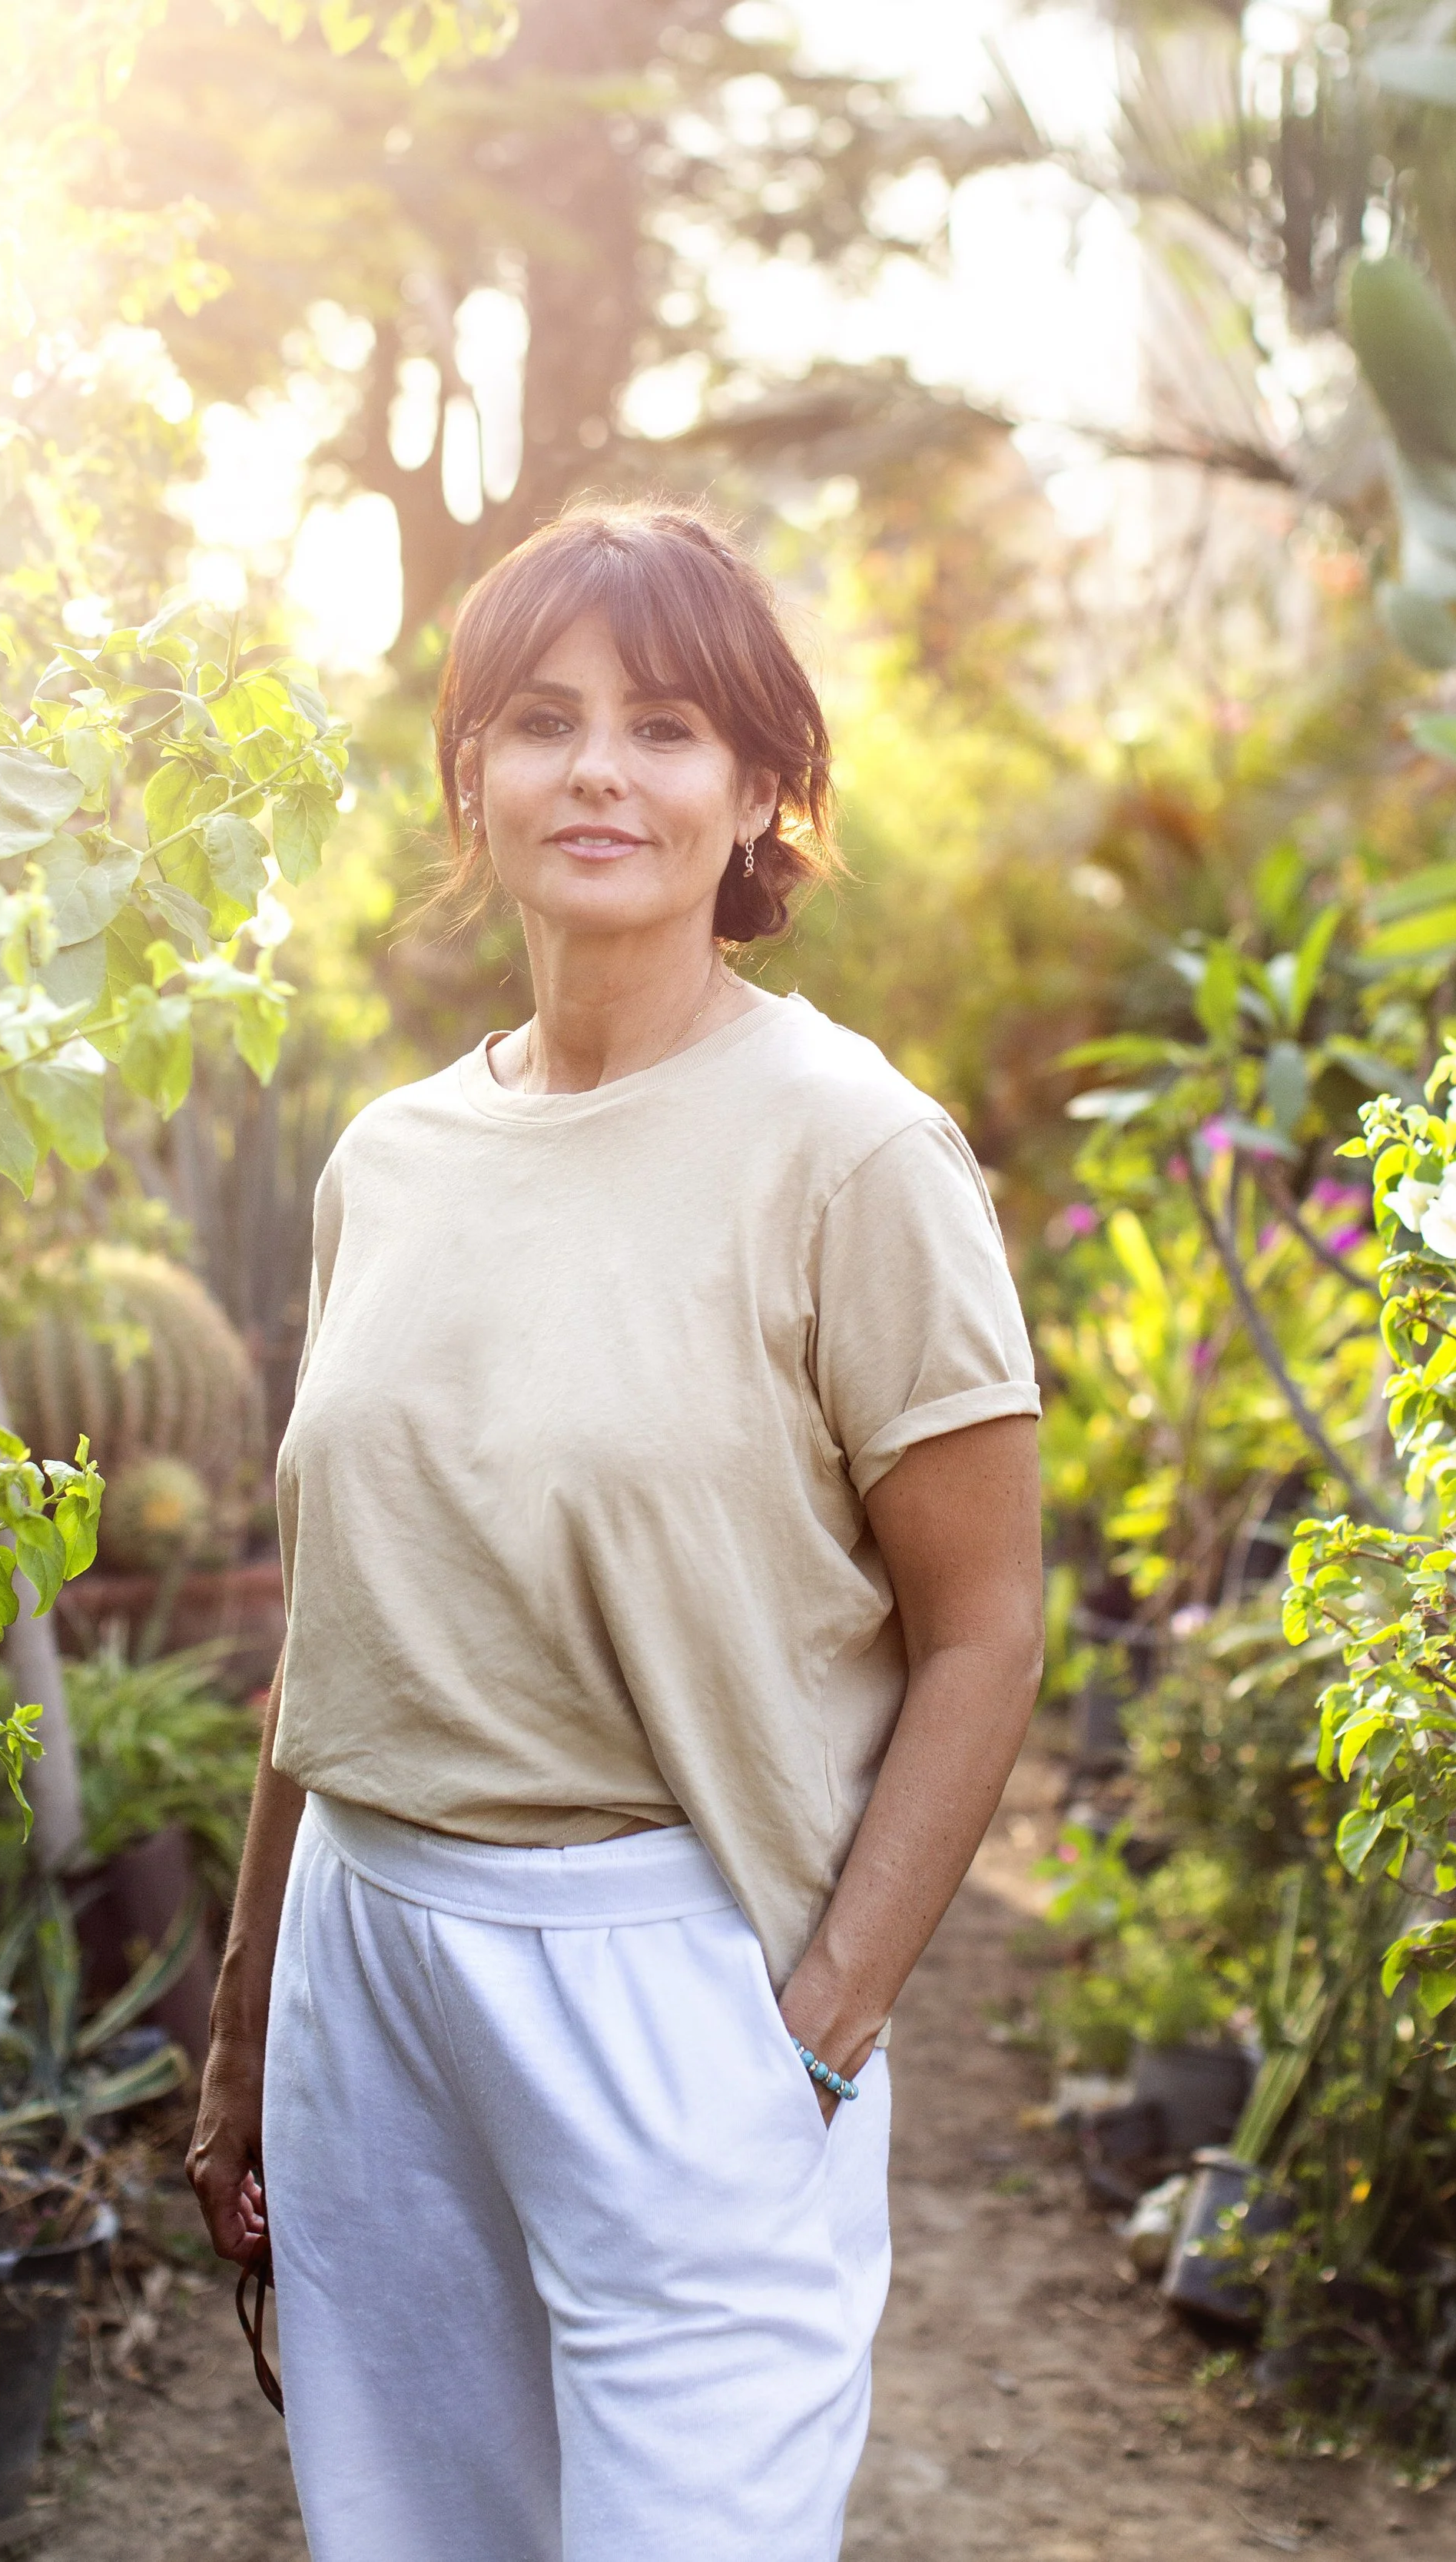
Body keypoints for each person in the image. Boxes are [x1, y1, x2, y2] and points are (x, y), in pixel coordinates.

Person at [187, 500, 1044, 2562]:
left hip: (675, 1970)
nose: (598, 772)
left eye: (665, 726)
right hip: (369, 1961)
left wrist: (820, 2028)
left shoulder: (854, 1152)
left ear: (756, 793)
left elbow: (987, 1628)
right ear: (470, 773)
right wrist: (241, 2021)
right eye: (542, 720)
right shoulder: (391, 1159)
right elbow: (341, 1622)